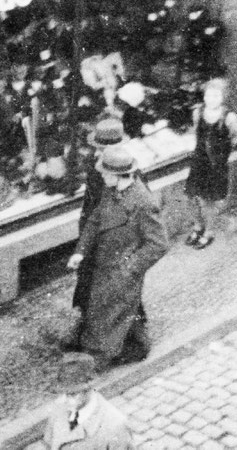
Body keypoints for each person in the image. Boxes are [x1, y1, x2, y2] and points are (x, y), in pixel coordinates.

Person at [66, 146, 168, 371]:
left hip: (122, 270)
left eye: (105, 173)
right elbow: (95, 220)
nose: (101, 176)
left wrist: (130, 267)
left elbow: (159, 243)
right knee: (107, 313)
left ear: (118, 175)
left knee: (109, 316)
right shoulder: (111, 191)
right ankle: (135, 347)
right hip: (104, 266)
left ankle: (95, 362)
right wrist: (80, 251)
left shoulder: (142, 201)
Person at [68, 118, 129, 348]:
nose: (99, 152)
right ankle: (89, 331)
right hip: (93, 236)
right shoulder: (97, 166)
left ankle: (125, 342)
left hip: (111, 241)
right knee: (89, 286)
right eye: (99, 148)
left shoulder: (124, 170)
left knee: (116, 294)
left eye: (104, 148)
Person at [184, 78, 237, 249]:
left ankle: (209, 231)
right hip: (199, 162)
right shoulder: (198, 113)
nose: (211, 99)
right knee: (190, 196)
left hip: (215, 166)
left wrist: (220, 154)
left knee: (209, 201)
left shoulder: (229, 117)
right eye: (209, 95)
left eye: (216, 96)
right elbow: (197, 133)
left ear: (223, 97)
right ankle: (197, 226)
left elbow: (235, 138)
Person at [42, 352, 135, 449]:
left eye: (73, 394)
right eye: (63, 393)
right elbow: (48, 443)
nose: (64, 400)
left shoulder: (115, 426)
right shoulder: (59, 408)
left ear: (89, 389)